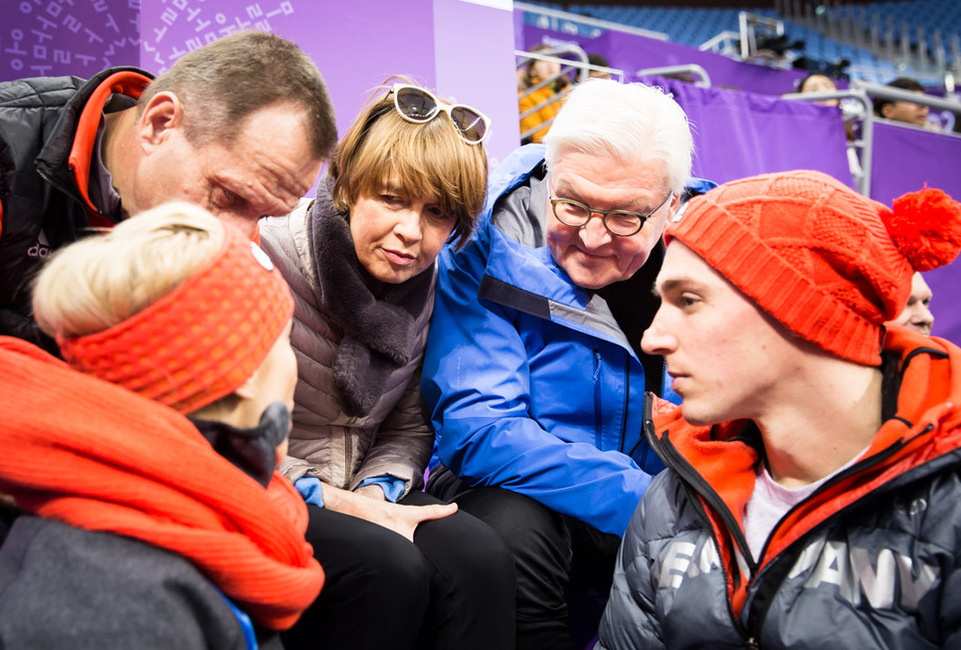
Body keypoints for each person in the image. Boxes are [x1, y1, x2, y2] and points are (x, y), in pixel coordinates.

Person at [597, 170, 961, 649]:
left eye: (688, 300)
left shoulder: (960, 501)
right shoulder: (674, 496)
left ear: (802, 310)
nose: (653, 337)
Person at [420, 78, 706, 648]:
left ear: (671, 206)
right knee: (513, 531)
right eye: (572, 204)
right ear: (550, 175)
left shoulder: (714, 257)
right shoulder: (482, 243)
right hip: (514, 484)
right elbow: (483, 429)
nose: (593, 237)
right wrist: (644, 502)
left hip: (665, 490)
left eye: (626, 217)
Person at [259, 80, 514, 650]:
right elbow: (225, 434)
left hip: (365, 490)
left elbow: (408, 424)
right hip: (268, 489)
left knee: (482, 558)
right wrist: (340, 503)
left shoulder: (429, 288)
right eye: (393, 199)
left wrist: (376, 494)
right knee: (389, 568)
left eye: (437, 214)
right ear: (349, 185)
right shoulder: (266, 257)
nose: (411, 233)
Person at [0, 202, 321, 648]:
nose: (294, 367)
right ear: (242, 370)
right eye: (284, 341)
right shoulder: (114, 606)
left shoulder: (195, 526)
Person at [0, 29, 337, 354]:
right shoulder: (7, 149)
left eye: (263, 215)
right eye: (228, 196)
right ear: (159, 123)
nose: (234, 241)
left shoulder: (235, 239)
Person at [518, 44, 569, 145]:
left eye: (554, 58)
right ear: (532, 71)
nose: (550, 64)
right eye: (543, 60)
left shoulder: (569, 91)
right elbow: (535, 137)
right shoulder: (525, 97)